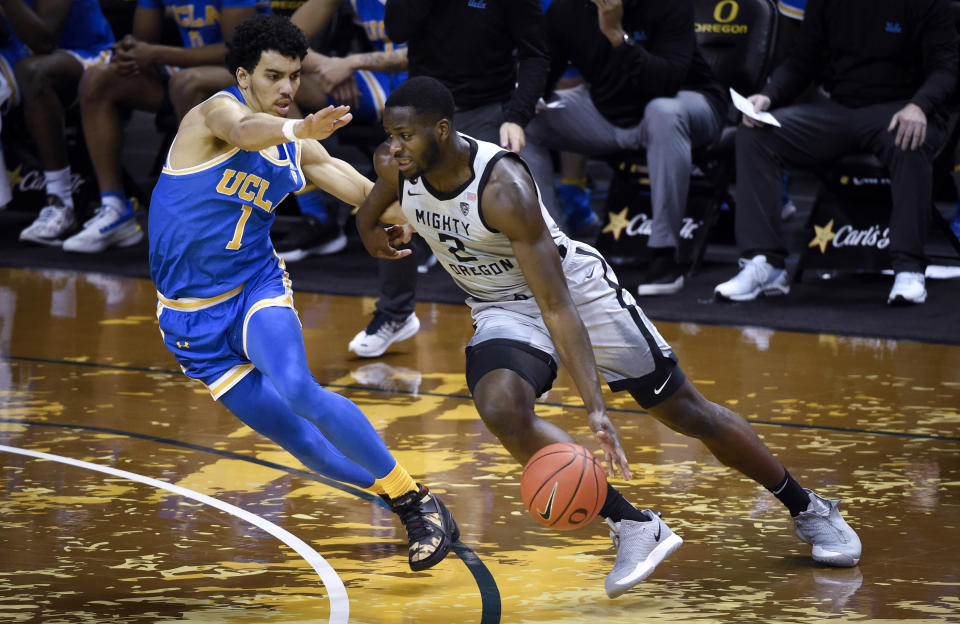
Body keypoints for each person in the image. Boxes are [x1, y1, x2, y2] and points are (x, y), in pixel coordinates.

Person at [357, 76, 862, 598]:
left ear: (442, 131)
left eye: (405, 136)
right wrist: (377, 234)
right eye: (390, 136)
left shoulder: (502, 187)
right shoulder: (396, 165)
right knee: (501, 407)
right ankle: (634, 524)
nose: (394, 147)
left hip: (574, 294)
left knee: (687, 413)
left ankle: (808, 506)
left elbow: (556, 304)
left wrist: (594, 405)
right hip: (500, 307)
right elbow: (369, 209)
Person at [147, 14, 458, 571]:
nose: (287, 89)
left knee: (297, 387)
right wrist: (298, 129)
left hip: (253, 289)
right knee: (302, 443)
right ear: (244, 76)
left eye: (293, 75)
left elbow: (367, 195)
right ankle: (405, 497)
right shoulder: (213, 113)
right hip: (188, 321)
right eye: (273, 76)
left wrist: (421, 220)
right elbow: (244, 132)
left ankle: (415, 502)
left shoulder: (302, 150)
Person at [714, 0, 958, 306]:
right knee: (755, 133)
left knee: (908, 139)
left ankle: (909, 267)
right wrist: (768, 95)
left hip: (903, 109)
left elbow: (947, 69)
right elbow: (801, 61)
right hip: (839, 110)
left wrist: (920, 105)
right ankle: (765, 262)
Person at [345, 0, 550, 359]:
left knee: (501, 215)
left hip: (488, 109)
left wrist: (517, 116)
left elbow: (536, 54)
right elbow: (398, 30)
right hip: (424, 116)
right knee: (389, 202)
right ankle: (395, 313)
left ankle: (530, 314)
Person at [521, 0, 727, 297]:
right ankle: (553, 251)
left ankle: (665, 253)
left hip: (689, 103)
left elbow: (666, 82)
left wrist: (616, 35)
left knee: (663, 113)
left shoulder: (670, 6)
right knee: (524, 123)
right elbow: (544, 71)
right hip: (609, 110)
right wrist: (524, 103)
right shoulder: (567, 9)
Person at [73, 0, 263, 254]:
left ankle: (204, 213)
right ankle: (115, 208)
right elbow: (144, 40)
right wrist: (132, 50)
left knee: (187, 83)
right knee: (98, 80)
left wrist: (156, 53)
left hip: (249, 74)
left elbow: (239, 52)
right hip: (188, 71)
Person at [1, 0, 114, 245]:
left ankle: (60, 201)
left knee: (33, 74)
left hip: (83, 50)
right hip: (19, 49)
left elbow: (44, 41)